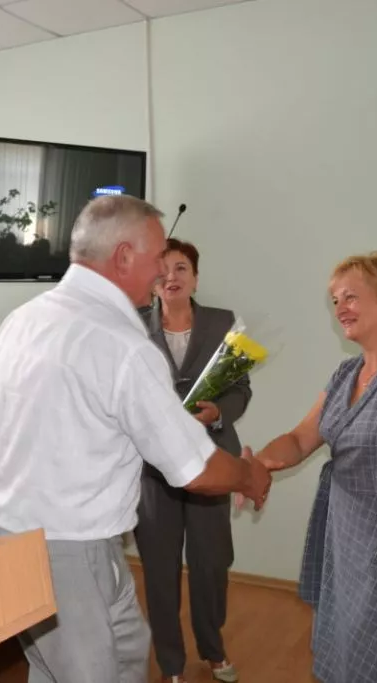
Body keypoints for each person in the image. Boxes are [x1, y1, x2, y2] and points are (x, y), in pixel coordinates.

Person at [0, 195, 272, 683]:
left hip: (6, 534)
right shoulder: (121, 343)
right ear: (124, 257)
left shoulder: (24, 319)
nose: (162, 272)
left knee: (119, 651)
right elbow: (195, 468)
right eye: (158, 258)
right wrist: (249, 476)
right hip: (65, 548)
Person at [254, 251, 377, 683]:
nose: (340, 308)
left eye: (350, 297)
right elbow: (299, 440)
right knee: (346, 657)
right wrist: (257, 465)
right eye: (335, 300)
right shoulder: (345, 374)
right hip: (346, 549)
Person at [134, 238, 249, 683]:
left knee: (211, 563)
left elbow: (240, 389)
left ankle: (213, 650)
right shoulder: (132, 325)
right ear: (153, 281)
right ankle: (170, 665)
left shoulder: (223, 322)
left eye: (181, 268)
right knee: (160, 570)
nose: (171, 277)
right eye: (162, 270)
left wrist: (218, 412)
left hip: (211, 461)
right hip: (154, 470)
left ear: (195, 278)